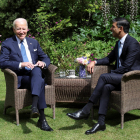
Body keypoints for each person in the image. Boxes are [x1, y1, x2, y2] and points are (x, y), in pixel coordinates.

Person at [67, 17, 140, 135]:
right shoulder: (119, 43)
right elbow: (109, 59)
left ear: (120, 29)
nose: (111, 28)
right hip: (121, 78)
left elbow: (126, 67)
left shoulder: (133, 43)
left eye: (113, 27)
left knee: (104, 77)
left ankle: (86, 109)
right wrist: (94, 62)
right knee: (106, 87)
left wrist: (110, 74)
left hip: (131, 79)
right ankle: (101, 122)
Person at [0, 18, 53, 131]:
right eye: (18, 29)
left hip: (34, 75)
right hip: (21, 77)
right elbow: (2, 62)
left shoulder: (33, 42)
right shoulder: (7, 43)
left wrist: (42, 62)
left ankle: (35, 107)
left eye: (24, 29)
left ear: (27, 29)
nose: (21, 31)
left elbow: (45, 57)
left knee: (37, 71)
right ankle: (42, 119)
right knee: (41, 81)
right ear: (14, 30)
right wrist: (21, 64)